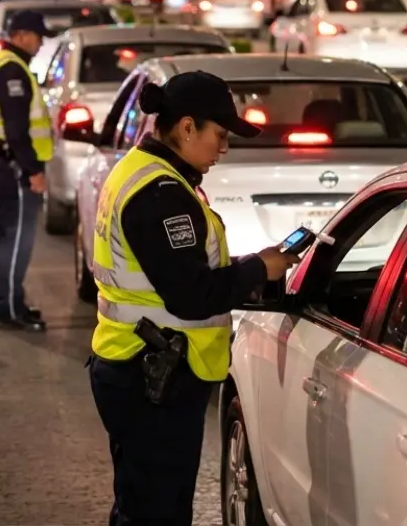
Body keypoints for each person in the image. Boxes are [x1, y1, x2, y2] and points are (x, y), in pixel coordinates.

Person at [87, 71, 299, 525]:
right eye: (219, 135)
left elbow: (174, 269)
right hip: (150, 377)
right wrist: (259, 269)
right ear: (187, 127)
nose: (223, 148)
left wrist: (252, 266)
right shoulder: (161, 194)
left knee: (140, 505)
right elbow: (190, 294)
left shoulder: (145, 173)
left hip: (133, 366)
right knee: (156, 512)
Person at [0, 9, 55, 332]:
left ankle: (10, 302)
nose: (39, 45)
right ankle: (10, 309)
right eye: (38, 38)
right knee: (16, 238)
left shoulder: (6, 64)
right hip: (15, 166)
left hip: (6, 163)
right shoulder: (12, 70)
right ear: (23, 35)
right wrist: (33, 170)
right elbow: (17, 130)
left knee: (8, 235)